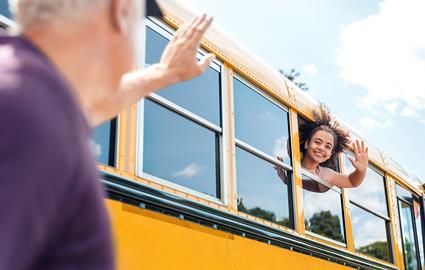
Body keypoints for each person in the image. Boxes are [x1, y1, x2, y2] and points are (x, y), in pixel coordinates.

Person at [0, 0, 214, 269]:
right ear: (119, 11)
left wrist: (164, 73)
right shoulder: (24, 111)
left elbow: (92, 104)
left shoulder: (32, 96)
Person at [275, 104, 368, 191]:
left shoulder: (324, 173)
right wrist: (286, 179)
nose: (322, 148)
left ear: (330, 154)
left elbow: (352, 182)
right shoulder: (291, 164)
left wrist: (361, 170)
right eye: (317, 142)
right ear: (307, 143)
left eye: (328, 146)